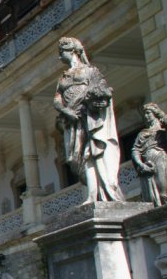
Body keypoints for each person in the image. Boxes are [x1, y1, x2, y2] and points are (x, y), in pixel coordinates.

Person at [52, 37, 124, 203]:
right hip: (73, 120)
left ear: (73, 51)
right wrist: (67, 110)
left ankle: (96, 194)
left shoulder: (90, 71)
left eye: (61, 52)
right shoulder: (63, 78)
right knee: (75, 158)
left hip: (90, 118)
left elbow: (104, 92)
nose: (59, 56)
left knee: (90, 153)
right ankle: (93, 194)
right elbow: (57, 100)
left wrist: (94, 101)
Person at [132, 102, 167, 206]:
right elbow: (135, 150)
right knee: (155, 194)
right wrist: (140, 164)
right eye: (145, 114)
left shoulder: (163, 130)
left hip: (161, 158)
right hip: (148, 163)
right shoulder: (142, 133)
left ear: (155, 113)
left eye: (148, 113)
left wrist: (160, 113)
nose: (146, 116)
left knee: (163, 190)